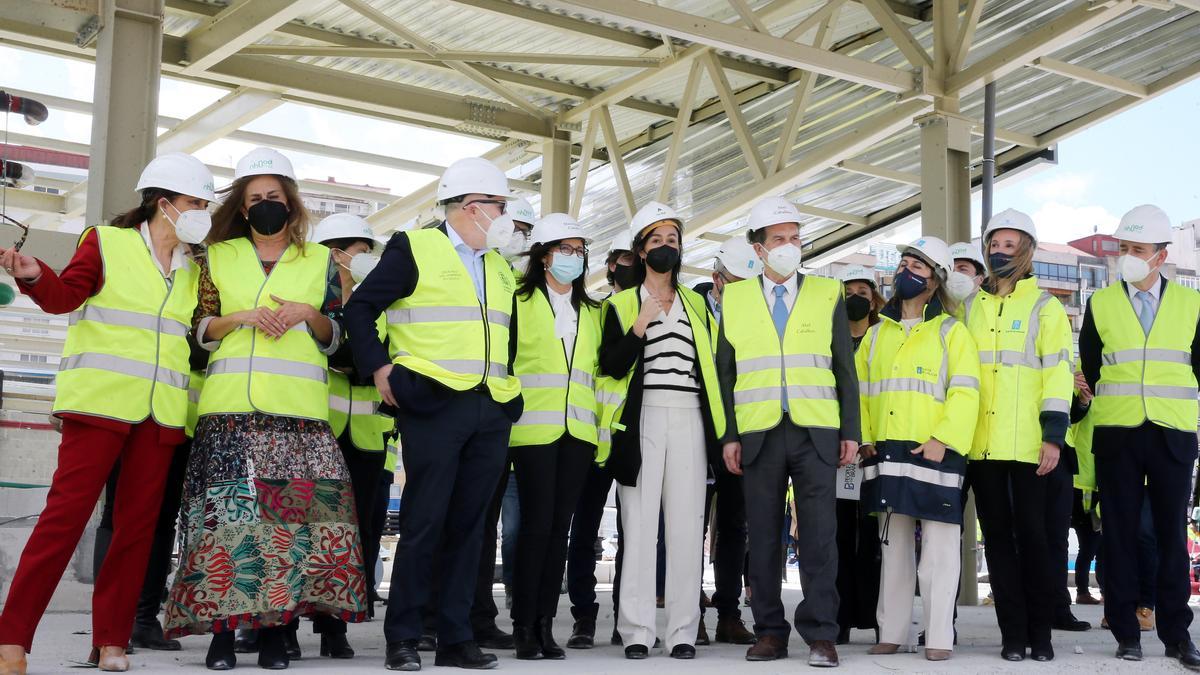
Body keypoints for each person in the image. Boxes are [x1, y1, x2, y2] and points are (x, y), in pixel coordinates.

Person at [0, 153, 214, 674]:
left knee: (136, 531)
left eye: (205, 204)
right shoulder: (106, 242)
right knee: (64, 520)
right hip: (98, 406)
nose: (201, 213)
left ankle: (111, 642)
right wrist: (34, 275)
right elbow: (65, 297)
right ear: (162, 204)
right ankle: (12, 640)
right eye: (194, 203)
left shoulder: (194, 268)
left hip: (159, 416)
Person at [162, 147, 367, 671]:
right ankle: (223, 638)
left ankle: (277, 634)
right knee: (226, 527)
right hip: (228, 414)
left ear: (290, 202)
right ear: (242, 205)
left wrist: (309, 316)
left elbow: (340, 339)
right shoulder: (215, 256)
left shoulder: (320, 261)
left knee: (294, 527)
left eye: (273, 196)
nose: (265, 205)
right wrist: (241, 318)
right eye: (255, 198)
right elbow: (198, 330)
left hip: (299, 419)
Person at [344, 157, 523, 672]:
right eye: (499, 205)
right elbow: (360, 309)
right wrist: (379, 368)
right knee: (424, 522)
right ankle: (403, 636)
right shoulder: (414, 247)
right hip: (433, 405)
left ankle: (456, 637)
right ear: (471, 207)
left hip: (490, 406)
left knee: (470, 529)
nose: (505, 214)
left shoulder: (498, 265)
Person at [716, 196, 860, 667]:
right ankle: (770, 633)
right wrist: (729, 435)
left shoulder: (827, 292)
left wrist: (850, 430)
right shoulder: (734, 298)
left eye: (795, 238)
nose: (789, 246)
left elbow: (844, 368)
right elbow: (725, 374)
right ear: (757, 249)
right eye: (779, 239)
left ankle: (822, 634)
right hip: (758, 433)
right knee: (763, 538)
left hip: (816, 429)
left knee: (820, 537)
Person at [595, 201, 725, 660]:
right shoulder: (618, 305)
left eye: (672, 240)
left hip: (689, 414)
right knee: (639, 524)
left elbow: (711, 369)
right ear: (640, 251)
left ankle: (684, 630)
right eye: (656, 241)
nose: (666, 247)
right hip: (642, 418)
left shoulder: (696, 304)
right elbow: (609, 366)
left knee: (688, 526)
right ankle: (636, 630)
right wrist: (639, 325)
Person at [1079, 204, 1200, 669]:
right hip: (1118, 434)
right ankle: (1126, 633)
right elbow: (1091, 367)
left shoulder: (1192, 304)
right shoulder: (1101, 303)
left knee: (1171, 537)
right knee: (1119, 537)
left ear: (1161, 254)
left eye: (1138, 249)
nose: (1127, 256)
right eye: (1123, 248)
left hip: (1172, 434)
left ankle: (1176, 636)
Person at [856, 237, 980, 663]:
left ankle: (938, 638)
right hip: (887, 451)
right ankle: (890, 631)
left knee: (940, 554)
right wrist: (867, 438)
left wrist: (942, 439)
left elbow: (966, 392)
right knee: (892, 549)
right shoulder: (875, 335)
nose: (906, 270)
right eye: (905, 262)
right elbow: (860, 394)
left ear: (935, 281)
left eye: (918, 266)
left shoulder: (951, 332)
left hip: (936, 453)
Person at [961, 208, 1073, 663]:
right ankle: (1012, 635)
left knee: (1036, 539)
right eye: (994, 244)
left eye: (1010, 245)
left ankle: (1040, 634)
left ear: (1026, 251)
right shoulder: (968, 306)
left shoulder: (1045, 307)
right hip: (982, 446)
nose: (1000, 252)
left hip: (1031, 446)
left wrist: (1053, 436)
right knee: (999, 543)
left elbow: (1059, 372)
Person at [506, 213, 602, 659]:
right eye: (565, 249)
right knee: (535, 527)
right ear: (544, 255)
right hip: (532, 431)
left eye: (580, 251)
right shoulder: (516, 301)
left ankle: (546, 624)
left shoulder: (593, 311)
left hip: (579, 432)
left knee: (558, 530)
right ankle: (524, 623)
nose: (574, 258)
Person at [312, 212, 394, 655]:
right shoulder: (310, 294)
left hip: (364, 434)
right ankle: (280, 624)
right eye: (360, 252)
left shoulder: (382, 299)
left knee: (358, 532)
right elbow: (341, 352)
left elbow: (375, 355)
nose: (366, 260)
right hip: (316, 430)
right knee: (306, 528)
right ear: (335, 252)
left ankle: (335, 625)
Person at [460, 195, 536, 653]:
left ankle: (479, 615)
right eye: (513, 225)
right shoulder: (482, 275)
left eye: (524, 230)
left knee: (487, 526)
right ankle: (448, 613)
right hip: (476, 410)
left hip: (509, 417)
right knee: (466, 520)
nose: (516, 236)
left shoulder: (518, 284)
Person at [565, 229, 634, 649]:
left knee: (635, 534)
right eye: (625, 258)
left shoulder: (656, 310)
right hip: (591, 439)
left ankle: (624, 615)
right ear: (611, 265)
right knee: (584, 531)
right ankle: (584, 616)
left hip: (631, 441)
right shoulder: (595, 312)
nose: (633, 266)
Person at [691, 237, 759, 646]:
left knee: (735, 525)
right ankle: (691, 613)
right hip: (696, 431)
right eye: (735, 283)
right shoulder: (693, 310)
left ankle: (729, 614)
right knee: (689, 526)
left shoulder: (759, 315)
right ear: (717, 279)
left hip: (743, 431)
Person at [834, 264, 884, 644]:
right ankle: (840, 617)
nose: (855, 298)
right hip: (837, 451)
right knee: (837, 534)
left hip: (875, 449)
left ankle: (876, 613)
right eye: (848, 291)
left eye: (862, 292)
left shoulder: (886, 337)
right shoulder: (827, 338)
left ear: (874, 300)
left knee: (876, 536)